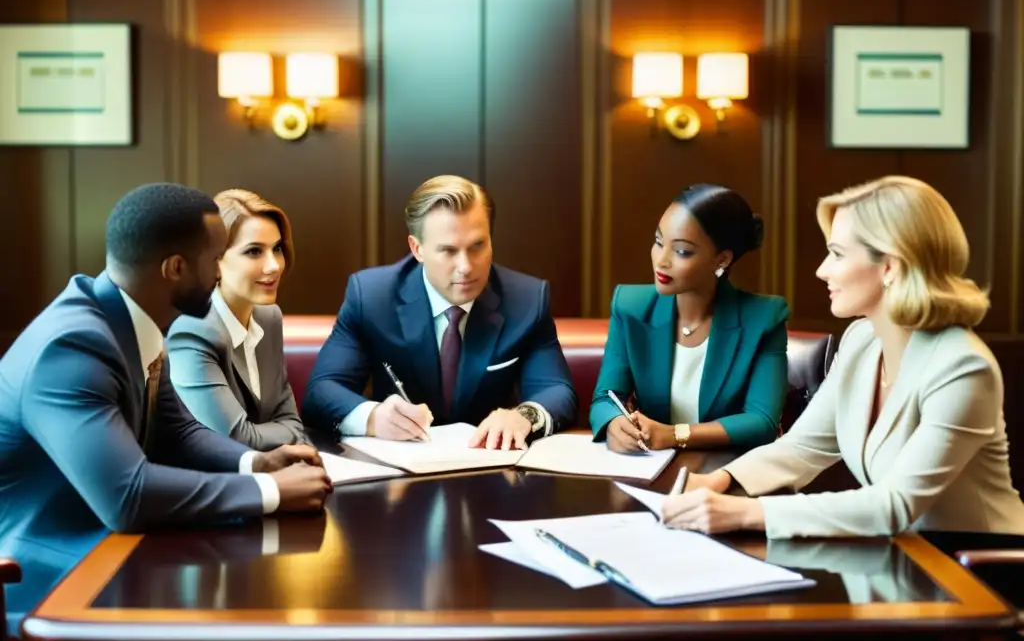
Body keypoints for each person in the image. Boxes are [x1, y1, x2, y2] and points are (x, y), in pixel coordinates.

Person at [0, 183, 333, 631]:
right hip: (52, 571)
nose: (223, 272)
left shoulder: (137, 319)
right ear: (175, 268)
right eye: (216, 258)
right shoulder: (71, 349)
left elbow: (176, 433)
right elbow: (128, 496)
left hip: (119, 546)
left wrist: (258, 462)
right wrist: (270, 494)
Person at [661, 176, 1024, 537]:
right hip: (906, 557)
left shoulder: (962, 366)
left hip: (980, 568)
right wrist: (718, 481)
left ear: (890, 266)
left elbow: (894, 504)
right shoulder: (861, 340)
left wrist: (744, 512)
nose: (822, 270)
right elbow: (805, 446)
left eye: (837, 254)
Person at [303, 175, 577, 449]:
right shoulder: (372, 297)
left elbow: (557, 390)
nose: (466, 267)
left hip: (491, 467)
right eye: (448, 251)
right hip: (399, 473)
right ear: (417, 248)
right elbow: (322, 391)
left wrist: (523, 416)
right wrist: (373, 418)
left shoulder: (527, 300)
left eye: (477, 246)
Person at [590, 184, 789, 453]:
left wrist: (676, 435)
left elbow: (761, 421)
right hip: (648, 466)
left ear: (722, 259)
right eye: (659, 242)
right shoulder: (630, 306)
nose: (662, 260)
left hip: (726, 469)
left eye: (682, 251)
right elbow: (606, 397)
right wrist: (614, 423)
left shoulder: (764, 317)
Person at [168, 189, 310, 451]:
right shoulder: (191, 329)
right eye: (254, 251)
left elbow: (292, 421)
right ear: (214, 262)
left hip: (267, 475)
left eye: (276, 249)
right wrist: (283, 433)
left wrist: (275, 432)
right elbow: (234, 439)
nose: (274, 265)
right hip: (206, 484)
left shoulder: (269, 318)